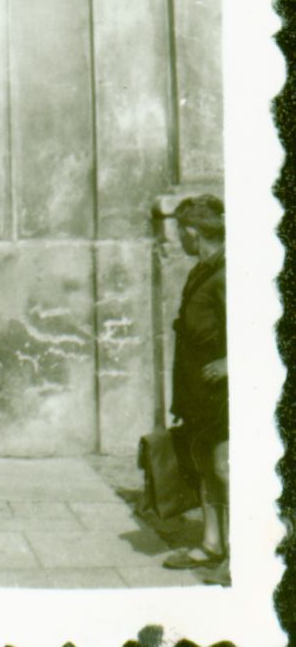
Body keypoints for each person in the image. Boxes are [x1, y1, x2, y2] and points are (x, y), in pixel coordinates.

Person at [162, 194, 229, 584]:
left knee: (224, 467)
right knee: (205, 464)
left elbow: (257, 323)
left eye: (179, 231)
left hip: (222, 391)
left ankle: (240, 556)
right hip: (198, 388)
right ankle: (212, 543)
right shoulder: (201, 270)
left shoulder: (227, 272)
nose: (178, 239)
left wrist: (231, 362)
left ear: (191, 232)